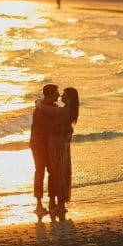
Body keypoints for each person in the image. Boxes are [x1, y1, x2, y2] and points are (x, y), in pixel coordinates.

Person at [46, 87, 79, 220]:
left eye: (65, 94)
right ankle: (57, 203)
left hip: (57, 145)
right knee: (60, 173)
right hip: (61, 145)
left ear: (70, 98)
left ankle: (57, 203)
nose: (62, 95)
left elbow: (47, 110)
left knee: (57, 174)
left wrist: (38, 103)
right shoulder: (68, 111)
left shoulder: (65, 111)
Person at [29, 84, 59, 217]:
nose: (58, 96)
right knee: (40, 172)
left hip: (48, 145)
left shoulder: (51, 107)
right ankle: (39, 204)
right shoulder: (40, 110)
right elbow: (49, 127)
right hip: (39, 145)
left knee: (52, 172)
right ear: (50, 94)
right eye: (56, 93)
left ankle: (52, 201)